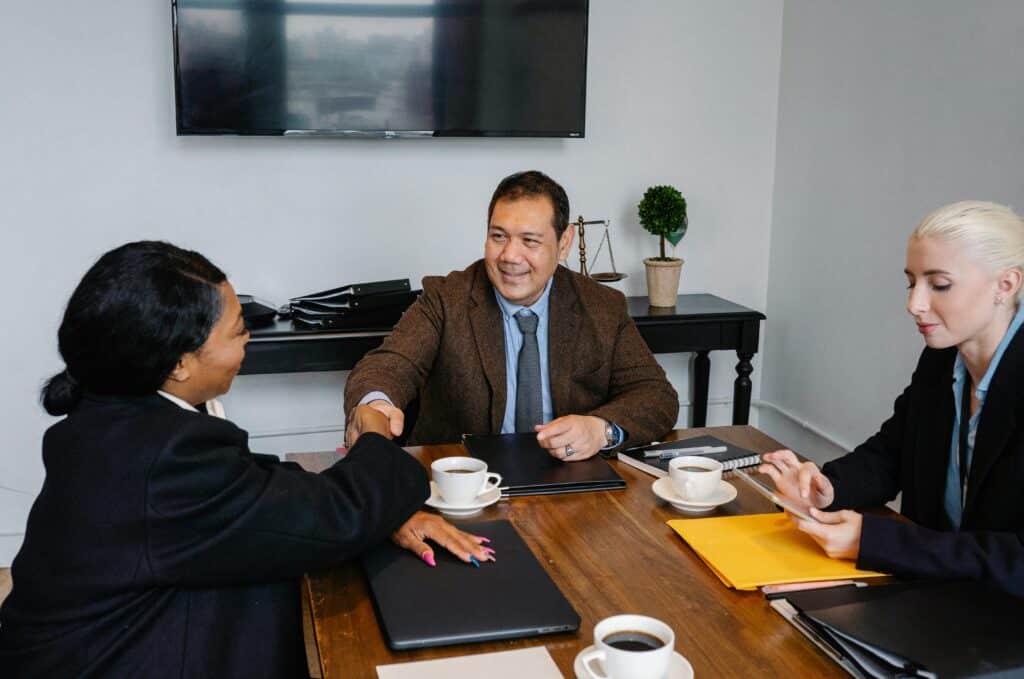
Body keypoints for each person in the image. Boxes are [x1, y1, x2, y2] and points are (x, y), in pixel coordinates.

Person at [0, 241, 493, 677]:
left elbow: (250, 486)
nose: (248, 340)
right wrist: (375, 439)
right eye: (238, 331)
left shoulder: (114, 411)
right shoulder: (164, 456)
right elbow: (333, 517)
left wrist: (382, 508)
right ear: (179, 363)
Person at [759, 201, 1024, 597]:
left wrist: (874, 542)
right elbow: (893, 453)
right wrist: (827, 488)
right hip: (937, 598)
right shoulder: (941, 358)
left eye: (939, 285)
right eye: (911, 283)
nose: (914, 304)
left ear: (1005, 285)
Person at [344, 170, 679, 460]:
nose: (509, 256)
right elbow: (388, 365)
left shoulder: (602, 306)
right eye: (498, 237)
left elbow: (656, 394)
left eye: (529, 241)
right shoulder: (447, 298)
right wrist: (376, 405)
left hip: (570, 480)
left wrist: (600, 429)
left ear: (564, 243)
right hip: (464, 480)